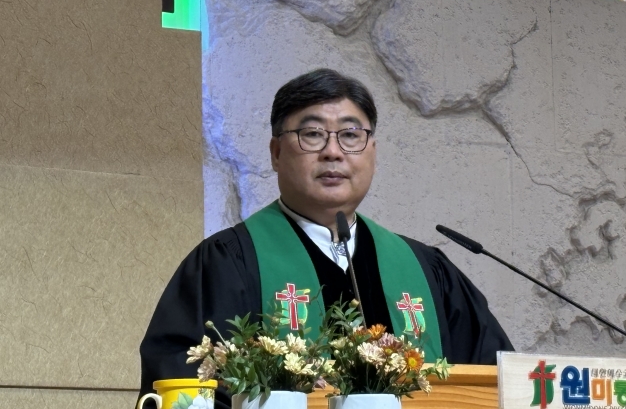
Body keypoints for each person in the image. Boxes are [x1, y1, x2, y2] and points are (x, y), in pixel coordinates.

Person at [138, 69, 513, 407]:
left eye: (351, 135)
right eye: (313, 134)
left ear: (372, 152)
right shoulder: (226, 263)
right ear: (276, 153)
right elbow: (183, 385)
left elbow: (499, 383)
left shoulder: (425, 271)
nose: (333, 152)